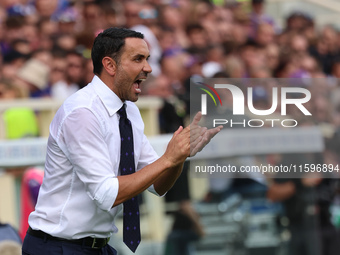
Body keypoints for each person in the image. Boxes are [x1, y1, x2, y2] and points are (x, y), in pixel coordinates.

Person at [22, 27, 222, 255]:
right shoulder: (82, 112)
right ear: (110, 65)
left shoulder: (129, 111)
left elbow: (158, 186)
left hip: (96, 246)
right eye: (138, 59)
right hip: (57, 247)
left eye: (147, 59)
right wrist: (167, 158)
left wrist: (178, 157)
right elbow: (107, 194)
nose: (148, 68)